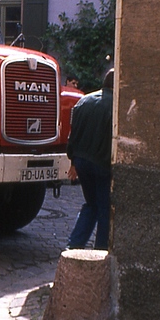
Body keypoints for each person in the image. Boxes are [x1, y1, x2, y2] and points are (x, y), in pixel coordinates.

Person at [66, 69, 114, 250]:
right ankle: (101, 251)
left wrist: (72, 161)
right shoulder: (115, 106)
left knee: (91, 204)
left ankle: (74, 245)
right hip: (101, 163)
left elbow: (73, 135)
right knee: (103, 208)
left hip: (81, 161)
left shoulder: (83, 101)